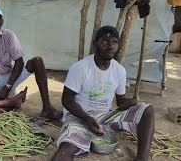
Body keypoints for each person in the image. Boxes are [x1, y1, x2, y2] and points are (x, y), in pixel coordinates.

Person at [51, 26, 154, 161]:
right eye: (105, 42)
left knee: (148, 110)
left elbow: (120, 102)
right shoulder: (80, 68)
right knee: (67, 149)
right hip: (79, 117)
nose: (110, 46)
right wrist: (87, 118)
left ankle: (142, 158)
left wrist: (133, 102)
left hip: (105, 116)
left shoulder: (119, 70)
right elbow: (67, 100)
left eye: (114, 42)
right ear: (95, 44)